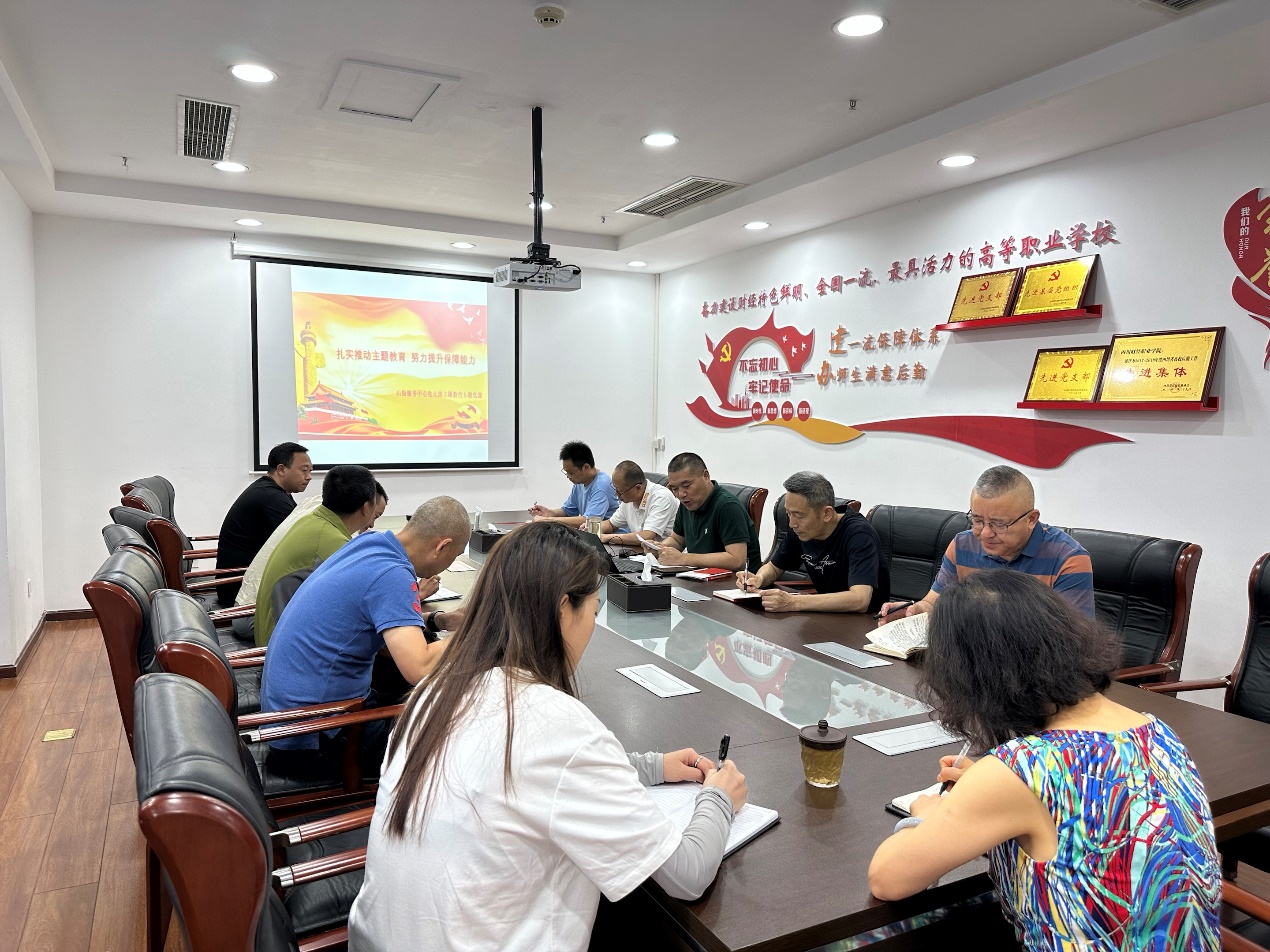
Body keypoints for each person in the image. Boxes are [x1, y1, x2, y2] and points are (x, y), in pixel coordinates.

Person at [348, 522, 748, 952]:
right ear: (562, 610)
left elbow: (525, 775)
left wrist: (649, 766)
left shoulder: (434, 692)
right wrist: (719, 797)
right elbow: (687, 875)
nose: (592, 627)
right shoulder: (556, 725)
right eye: (593, 611)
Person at [867, 572, 1220, 949]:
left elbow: (888, 880)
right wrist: (985, 789)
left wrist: (929, 815)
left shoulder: (1020, 770)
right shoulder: (1156, 730)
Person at [259, 495, 471, 779]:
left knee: (408, 691)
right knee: (456, 734)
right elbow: (419, 668)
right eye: (454, 556)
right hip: (314, 737)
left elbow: (383, 618)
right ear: (441, 546)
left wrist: (439, 620)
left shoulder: (370, 544)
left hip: (290, 719)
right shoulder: (392, 574)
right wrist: (477, 627)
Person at [878, 465, 1094, 620]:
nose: (985, 534)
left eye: (999, 524)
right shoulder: (963, 545)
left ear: (1031, 519)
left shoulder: (1068, 559)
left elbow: (1075, 638)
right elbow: (934, 603)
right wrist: (915, 611)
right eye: (978, 520)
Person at [252, 465, 383, 646]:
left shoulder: (313, 520)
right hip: (284, 650)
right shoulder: (335, 545)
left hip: (274, 638)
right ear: (366, 507)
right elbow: (366, 601)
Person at [738, 471, 888, 614]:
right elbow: (774, 568)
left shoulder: (859, 535)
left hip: (865, 622)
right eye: (788, 513)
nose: (791, 523)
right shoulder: (800, 530)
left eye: (799, 515)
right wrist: (758, 579)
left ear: (826, 513)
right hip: (824, 615)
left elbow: (860, 600)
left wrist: (793, 602)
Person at [214, 441, 313, 606]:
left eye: (310, 471)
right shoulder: (272, 498)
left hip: (242, 580)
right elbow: (302, 541)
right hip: (239, 589)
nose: (309, 476)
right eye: (304, 470)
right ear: (281, 469)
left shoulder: (271, 490)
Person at [656, 452, 760, 573]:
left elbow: (737, 560)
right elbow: (677, 540)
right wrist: (660, 548)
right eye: (674, 489)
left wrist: (683, 558)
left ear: (706, 476)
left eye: (687, 486)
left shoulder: (727, 506)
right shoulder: (687, 503)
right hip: (699, 576)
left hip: (735, 581)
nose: (681, 494)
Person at [528, 440, 619, 527]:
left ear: (586, 467)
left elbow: (589, 521)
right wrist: (550, 513)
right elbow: (568, 511)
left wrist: (548, 520)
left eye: (571, 473)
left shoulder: (602, 485)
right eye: (566, 472)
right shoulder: (579, 483)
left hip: (612, 536)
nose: (568, 476)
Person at [597, 460, 678, 550]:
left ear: (638, 488)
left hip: (665, 552)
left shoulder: (661, 497)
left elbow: (647, 536)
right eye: (615, 489)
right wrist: (593, 530)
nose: (616, 494)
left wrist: (607, 537)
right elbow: (611, 524)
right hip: (642, 552)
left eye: (620, 491)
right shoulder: (628, 500)